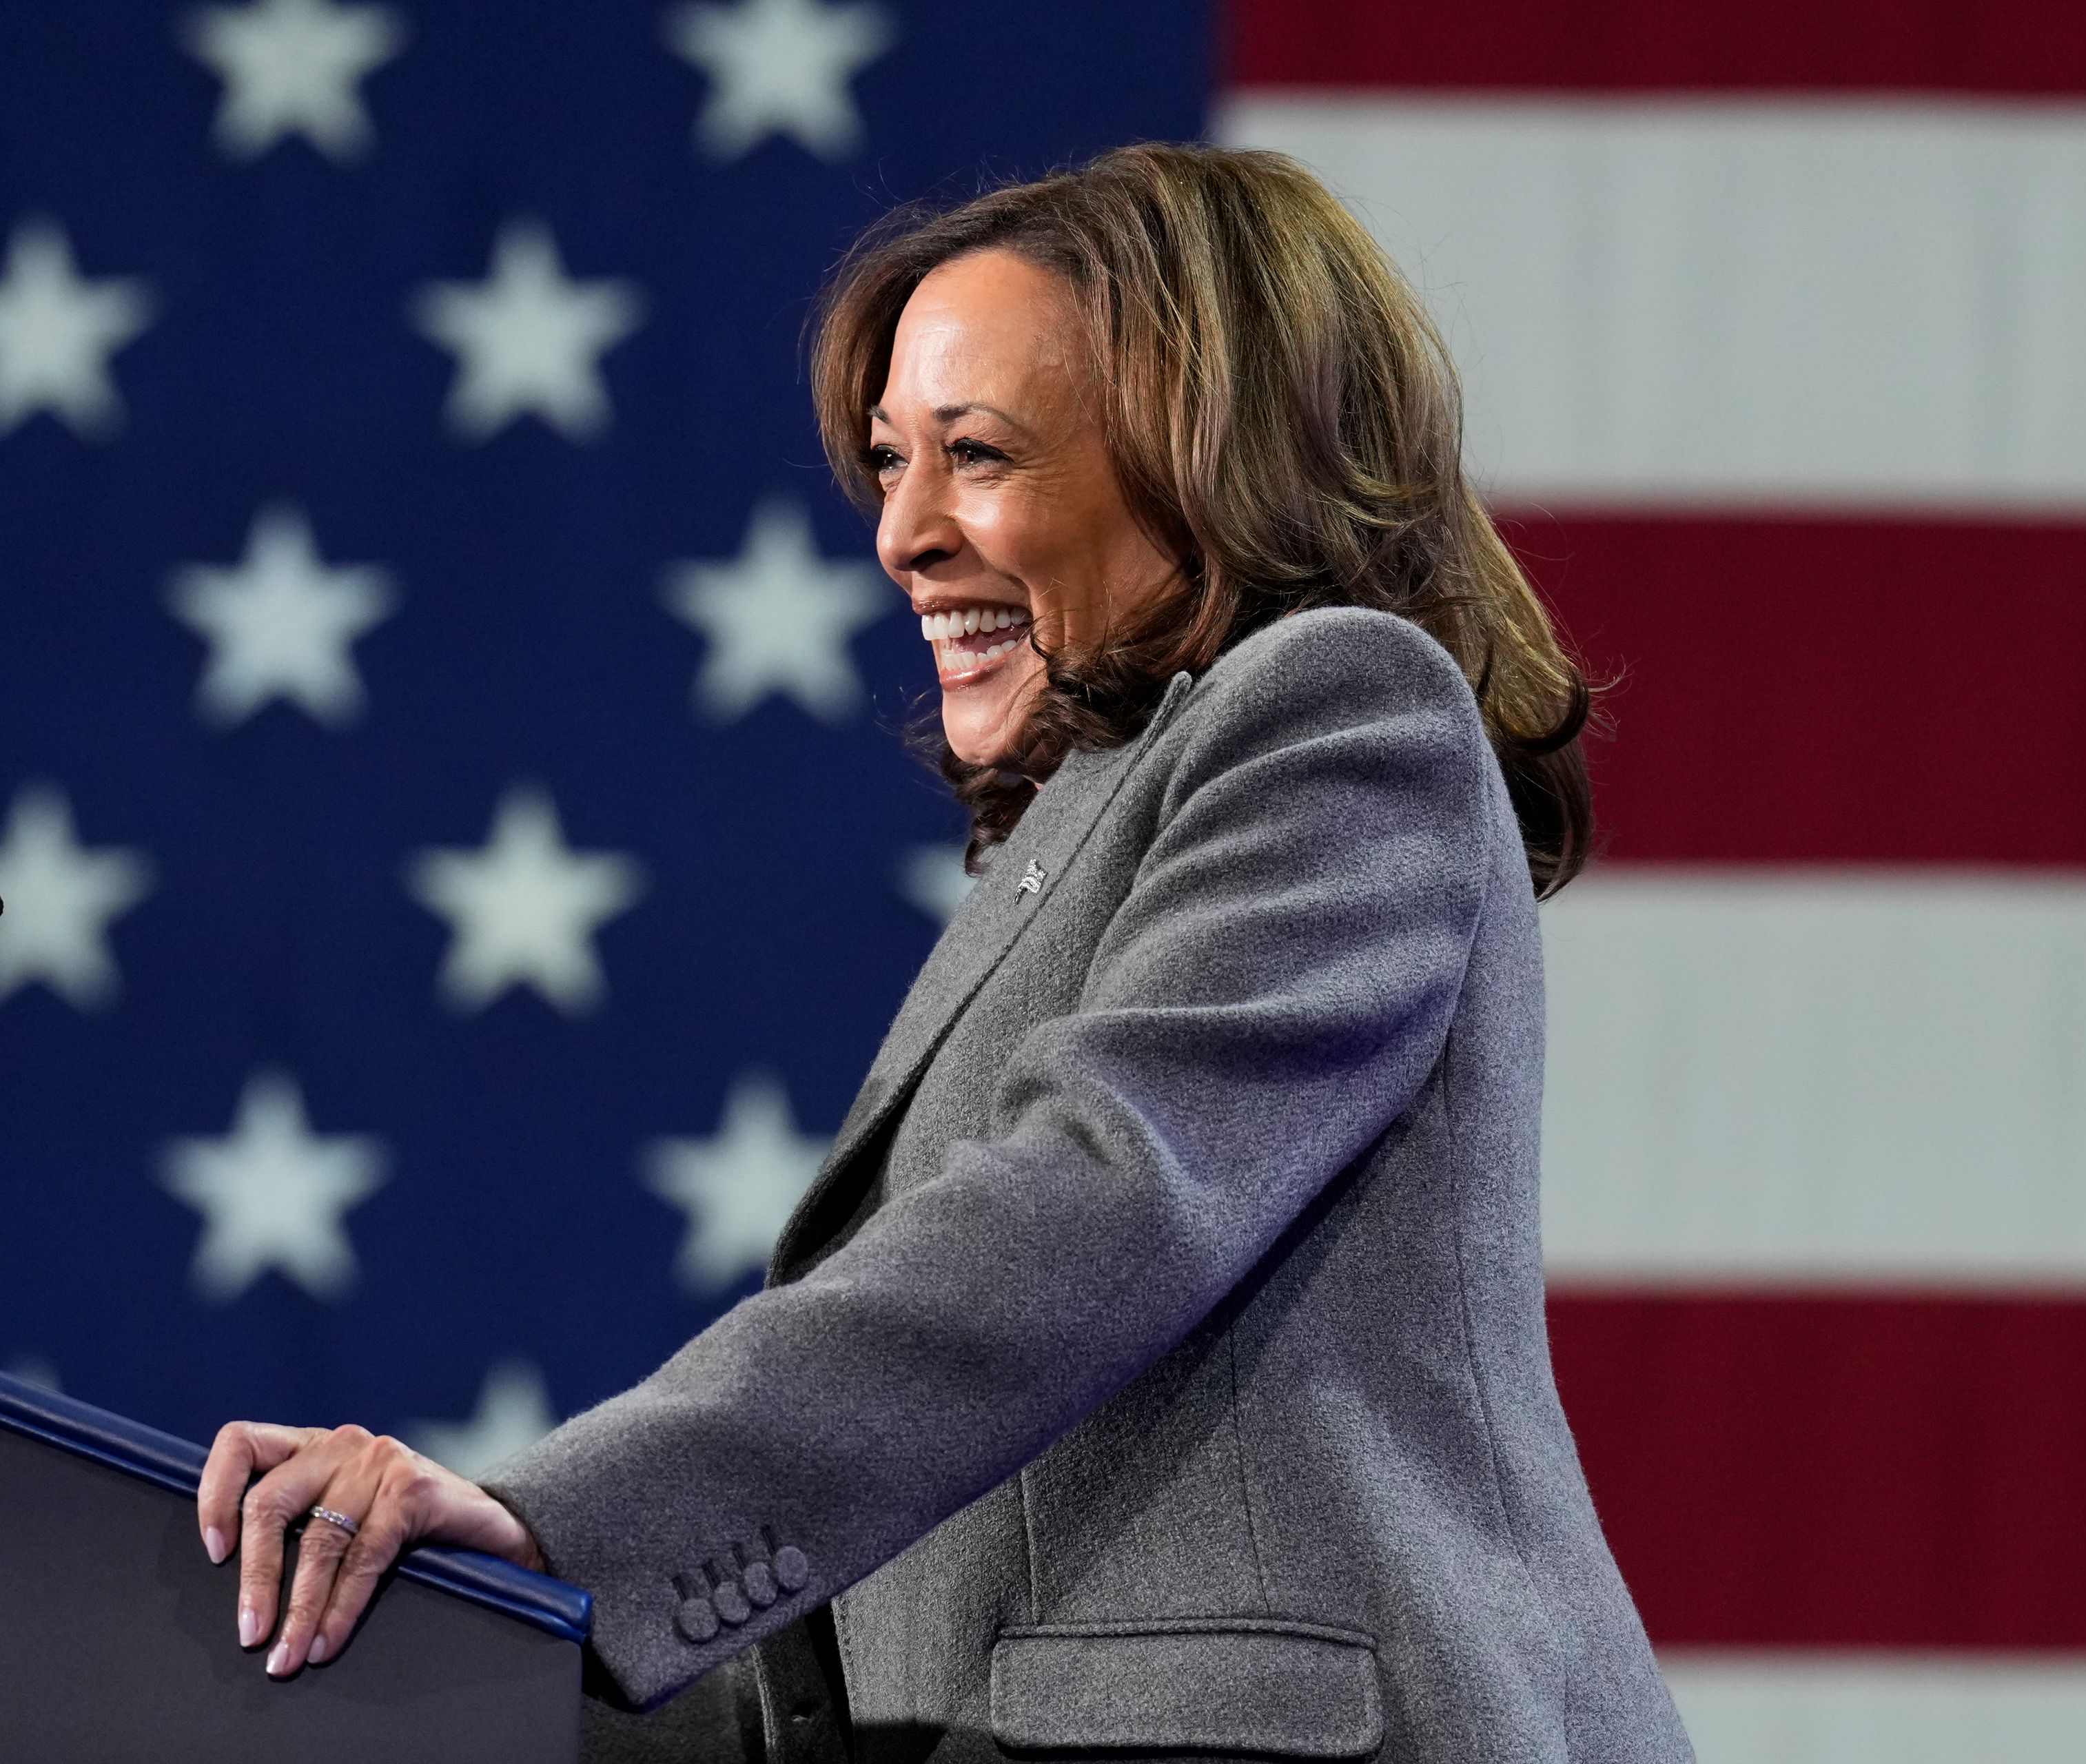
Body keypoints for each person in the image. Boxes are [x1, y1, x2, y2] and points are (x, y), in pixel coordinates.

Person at [198, 142, 1693, 1763]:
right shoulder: (1075, 821)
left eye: (976, 454)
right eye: (891, 459)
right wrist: (484, 1653)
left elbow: (1098, 1202)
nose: (903, 533)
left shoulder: (1340, 705)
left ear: (1208, 460)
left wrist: (554, 1521)